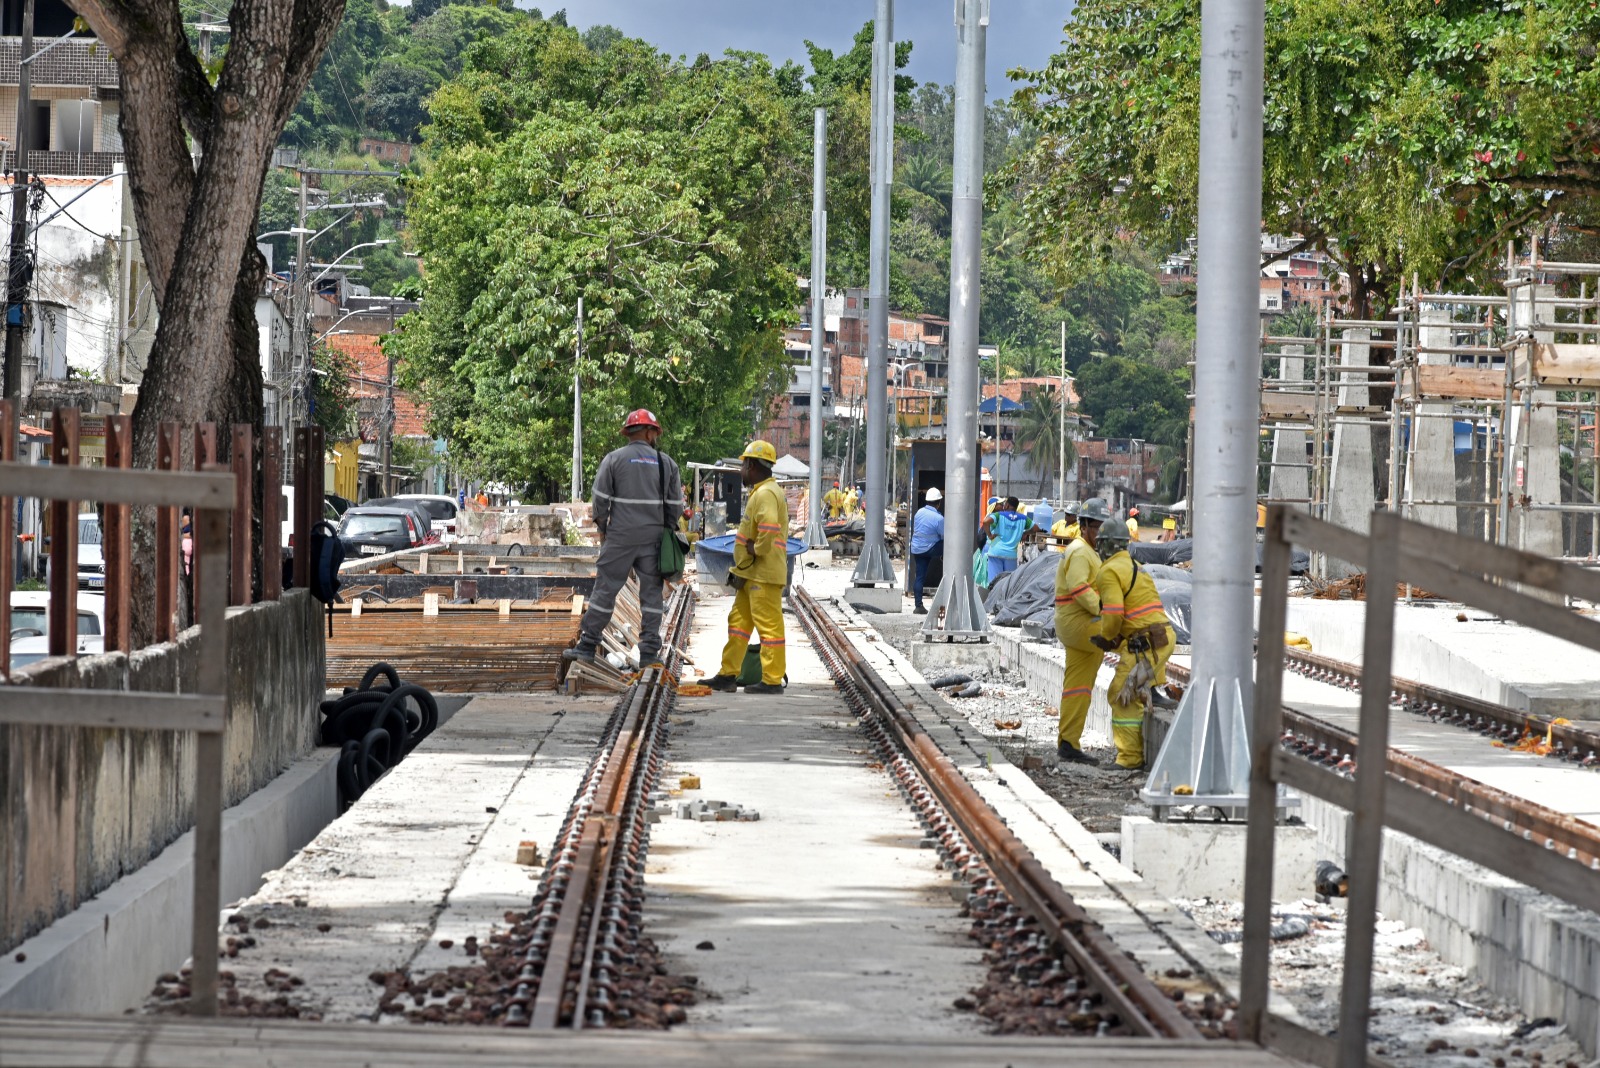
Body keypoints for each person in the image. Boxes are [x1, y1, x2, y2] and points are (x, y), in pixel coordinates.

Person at [563, 409, 682, 670]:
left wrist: (604, 528)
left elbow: (600, 499)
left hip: (620, 537)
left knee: (605, 590)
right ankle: (650, 653)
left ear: (629, 432)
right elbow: (675, 505)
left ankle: (587, 645)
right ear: (650, 433)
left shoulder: (613, 459)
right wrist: (667, 529)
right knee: (651, 597)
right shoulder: (666, 464)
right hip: (653, 539)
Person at [705, 440, 789, 695]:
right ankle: (728, 674)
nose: (741, 471)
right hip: (752, 574)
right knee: (739, 624)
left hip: (762, 574)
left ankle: (772, 679)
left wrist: (757, 549)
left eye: (743, 465)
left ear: (752, 465)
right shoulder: (763, 491)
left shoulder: (765, 494)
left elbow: (770, 526)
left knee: (769, 626)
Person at [1091, 518, 1175, 770]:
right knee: (1135, 681)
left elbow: (1114, 613)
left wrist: (1107, 637)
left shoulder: (1108, 571)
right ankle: (1154, 691)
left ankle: (1129, 758)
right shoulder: (1136, 566)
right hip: (1161, 638)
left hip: (1146, 644)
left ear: (1104, 546)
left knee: (1120, 695)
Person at [1055, 496, 1110, 766]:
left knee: (1078, 687)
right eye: (1098, 527)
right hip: (1080, 622)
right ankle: (1153, 683)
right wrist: (1106, 610)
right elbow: (1079, 588)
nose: (1101, 533)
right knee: (1132, 636)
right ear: (1085, 525)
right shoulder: (1079, 551)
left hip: (1077, 624)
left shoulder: (1088, 551)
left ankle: (1068, 743)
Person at [909, 487, 946, 615]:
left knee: (919, 577)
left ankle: (918, 606)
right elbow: (944, 535)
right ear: (938, 502)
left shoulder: (918, 513)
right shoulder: (939, 518)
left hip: (916, 549)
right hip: (931, 549)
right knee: (948, 544)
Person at [981, 496, 1031, 585]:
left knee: (996, 582)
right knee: (1004, 583)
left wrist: (990, 536)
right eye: (1000, 504)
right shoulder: (1021, 518)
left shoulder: (999, 517)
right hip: (1004, 554)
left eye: (1003, 504)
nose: (1003, 506)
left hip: (996, 552)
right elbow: (1036, 528)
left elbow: (986, 524)